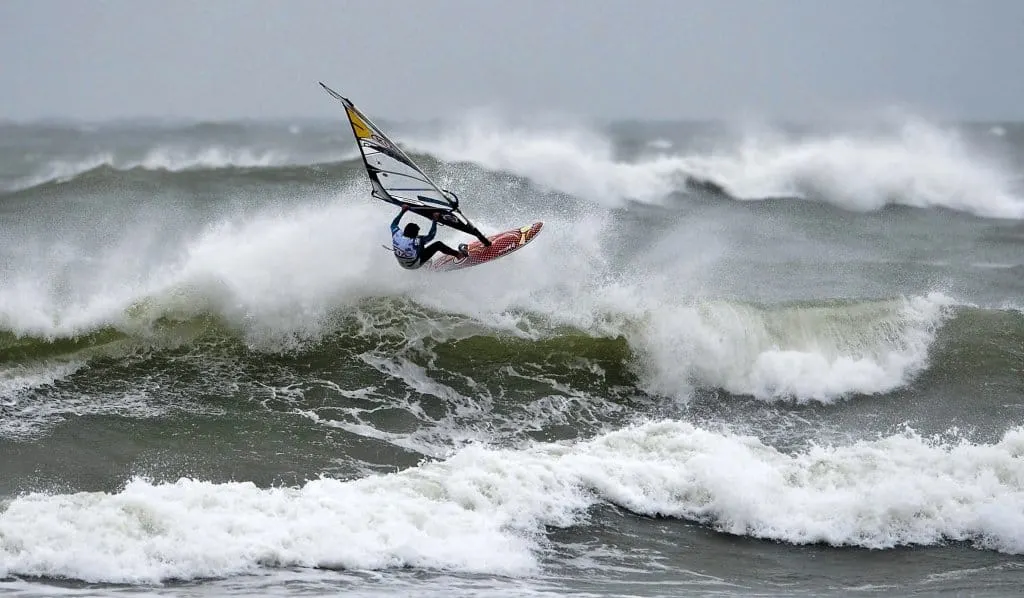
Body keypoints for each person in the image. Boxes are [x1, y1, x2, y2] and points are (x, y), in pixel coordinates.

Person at [390, 205, 469, 269]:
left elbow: (393, 224)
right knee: (438, 245)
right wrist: (435, 220)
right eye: (417, 233)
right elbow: (431, 236)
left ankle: (424, 262)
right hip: (414, 265)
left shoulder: (397, 236)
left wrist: (402, 211)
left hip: (402, 264)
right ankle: (459, 255)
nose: (418, 234)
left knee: (419, 243)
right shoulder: (416, 241)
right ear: (414, 235)